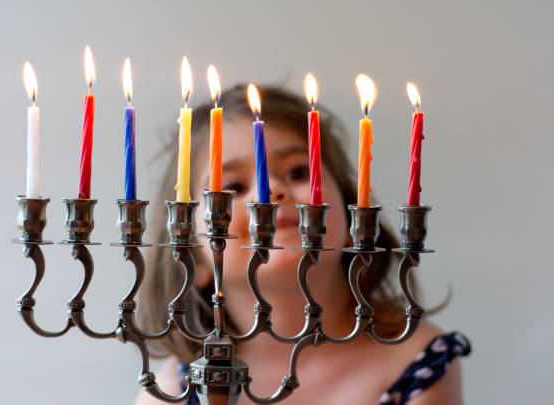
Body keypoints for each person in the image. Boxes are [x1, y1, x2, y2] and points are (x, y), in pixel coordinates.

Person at [135, 85, 470, 405]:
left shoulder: (417, 360)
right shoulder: (178, 388)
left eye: (297, 172)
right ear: (191, 255)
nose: (270, 192)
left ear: (357, 223)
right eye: (233, 186)